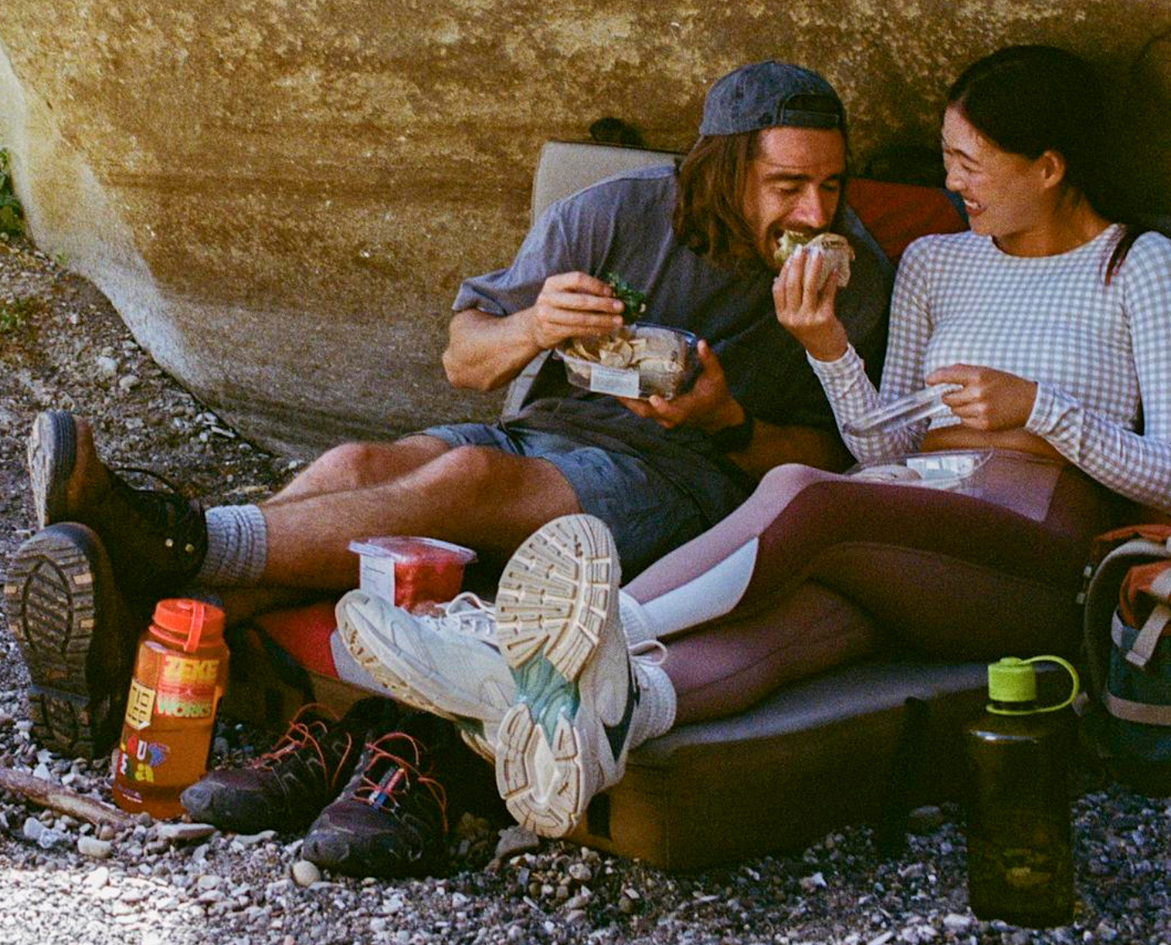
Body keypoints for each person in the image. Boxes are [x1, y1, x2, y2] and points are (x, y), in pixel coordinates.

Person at [340, 44, 1171, 838]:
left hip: (1029, 544)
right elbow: (881, 452)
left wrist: (1040, 409)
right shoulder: (935, 262)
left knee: (805, 492)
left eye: (968, 163)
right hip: (913, 520)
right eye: (947, 159)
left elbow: (1167, 476)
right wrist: (825, 345)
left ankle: (536, 642)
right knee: (779, 633)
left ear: (1048, 167)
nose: (951, 184)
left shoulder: (1139, 265)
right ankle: (592, 728)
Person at [4, 60, 892, 759]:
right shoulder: (616, 214)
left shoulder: (852, 279)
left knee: (466, 479)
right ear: (724, 169)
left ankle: (171, 536)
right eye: (787, 186)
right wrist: (536, 325)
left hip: (685, 479)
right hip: (543, 434)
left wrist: (724, 419)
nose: (815, 211)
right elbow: (464, 358)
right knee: (357, 464)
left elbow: (843, 465)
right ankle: (145, 635)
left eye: (832, 184)